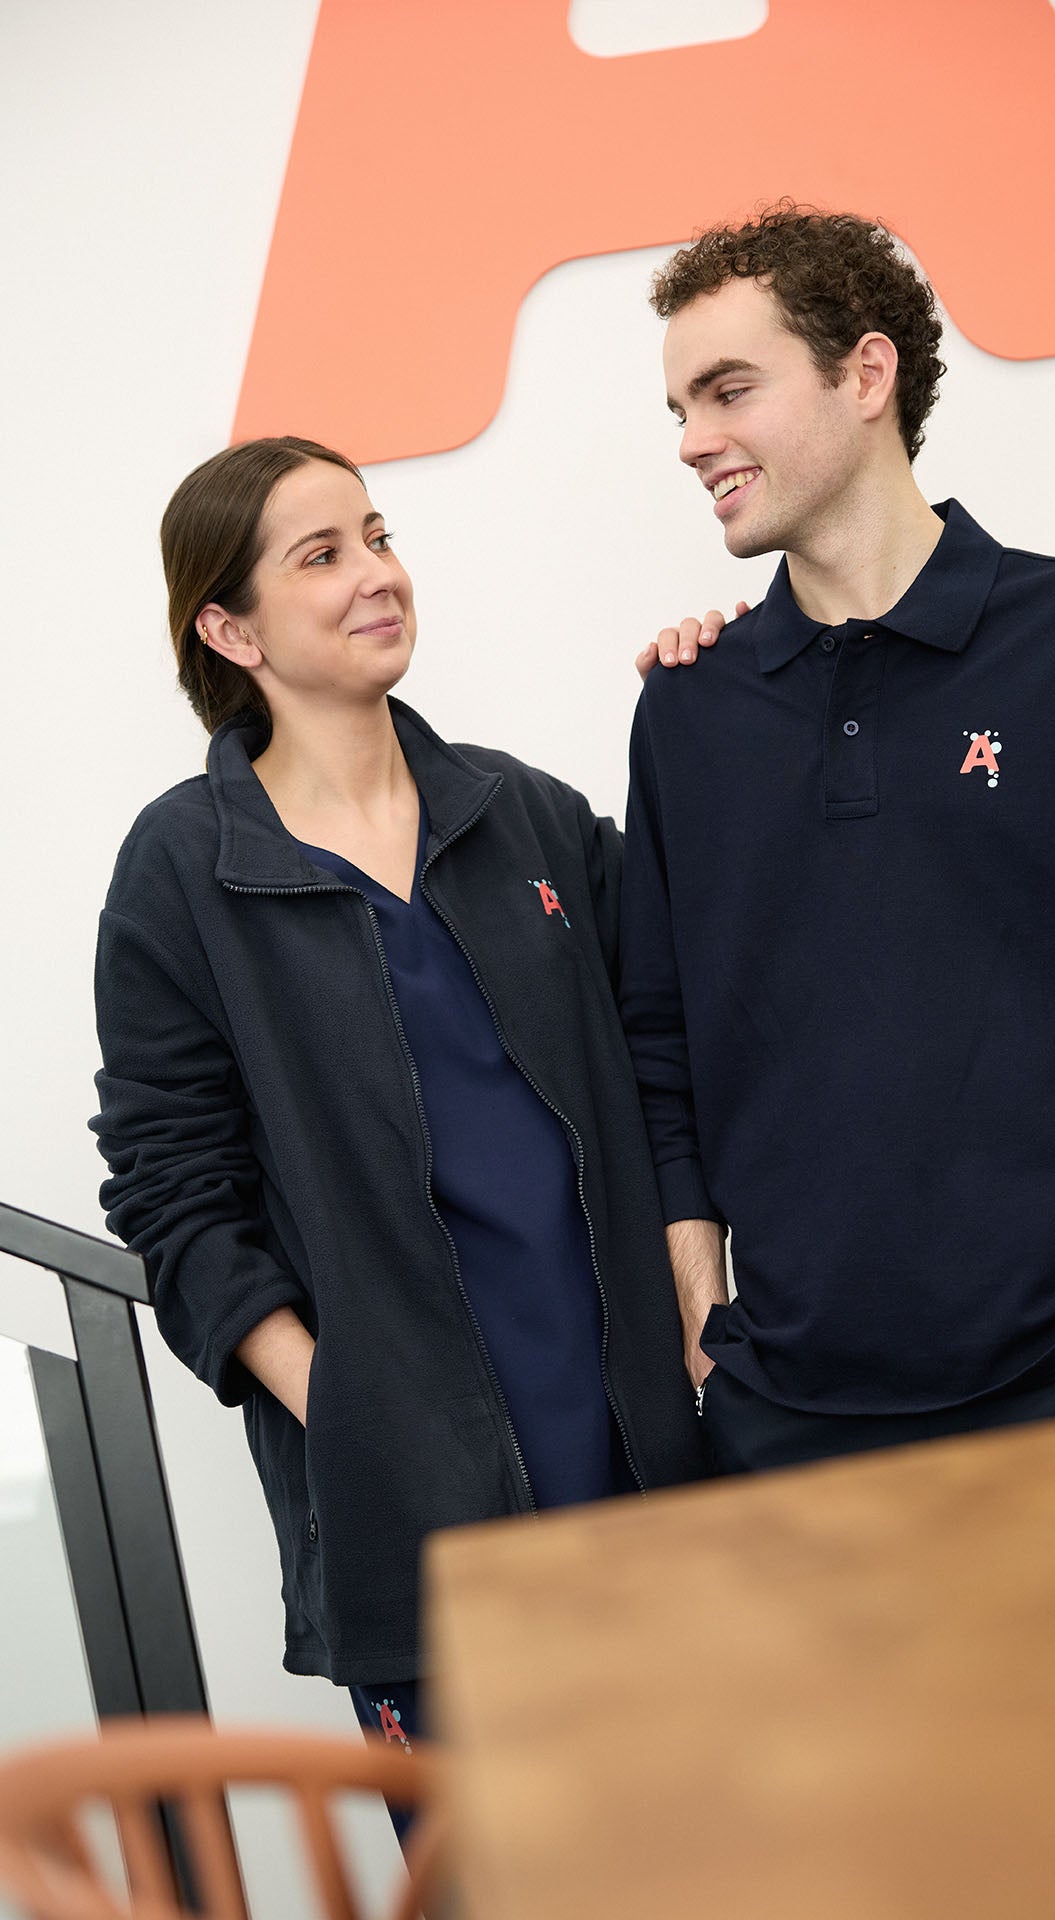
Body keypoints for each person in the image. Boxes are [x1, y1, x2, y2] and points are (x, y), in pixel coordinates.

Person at [91, 437, 706, 1804]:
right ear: (230, 630)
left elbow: (696, 1025)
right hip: (422, 1527)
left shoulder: (525, 817)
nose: (378, 574)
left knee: (732, 1864)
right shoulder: (185, 870)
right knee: (501, 1885)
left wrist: (717, 710)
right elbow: (169, 1187)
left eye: (377, 535)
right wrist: (343, 1406)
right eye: (323, 556)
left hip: (651, 1473)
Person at [622, 205, 1055, 1475]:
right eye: (679, 409)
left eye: (728, 390)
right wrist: (709, 1347)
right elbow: (658, 1060)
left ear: (864, 374)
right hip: (790, 1427)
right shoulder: (688, 712)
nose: (693, 440)